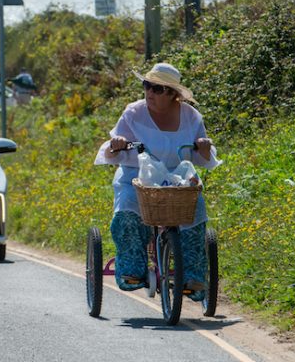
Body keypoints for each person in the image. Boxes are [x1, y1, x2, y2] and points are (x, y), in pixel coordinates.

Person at [94, 62, 221, 299]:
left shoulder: (191, 116)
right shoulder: (133, 112)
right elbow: (113, 150)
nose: (150, 92)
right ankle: (132, 270)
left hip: (177, 177)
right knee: (128, 213)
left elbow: (204, 157)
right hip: (136, 175)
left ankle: (192, 278)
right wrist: (118, 143)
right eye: (147, 85)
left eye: (158, 88)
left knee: (194, 211)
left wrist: (203, 146)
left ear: (174, 95)